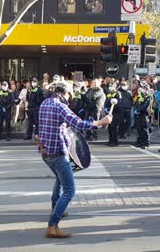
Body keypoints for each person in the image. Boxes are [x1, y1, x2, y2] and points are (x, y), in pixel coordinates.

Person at [38, 81, 112, 238]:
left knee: (59, 180)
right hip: (58, 154)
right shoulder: (60, 106)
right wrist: (101, 122)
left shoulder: (45, 103)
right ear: (66, 93)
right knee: (70, 190)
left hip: (46, 153)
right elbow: (79, 123)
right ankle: (52, 225)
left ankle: (56, 208)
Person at [133, 83, 152, 149]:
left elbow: (145, 106)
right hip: (139, 114)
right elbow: (136, 104)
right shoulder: (140, 96)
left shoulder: (149, 97)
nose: (144, 90)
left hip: (145, 115)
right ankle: (141, 142)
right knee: (139, 128)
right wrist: (136, 109)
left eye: (145, 89)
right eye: (143, 88)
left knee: (145, 129)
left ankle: (146, 143)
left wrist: (138, 110)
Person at [105, 82, 122, 147]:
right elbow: (106, 102)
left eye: (111, 86)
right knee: (110, 128)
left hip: (115, 113)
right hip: (109, 112)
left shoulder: (118, 94)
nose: (110, 87)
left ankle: (115, 141)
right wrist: (106, 108)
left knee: (114, 127)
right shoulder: (109, 94)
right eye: (109, 86)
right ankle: (110, 140)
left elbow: (118, 104)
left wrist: (111, 108)